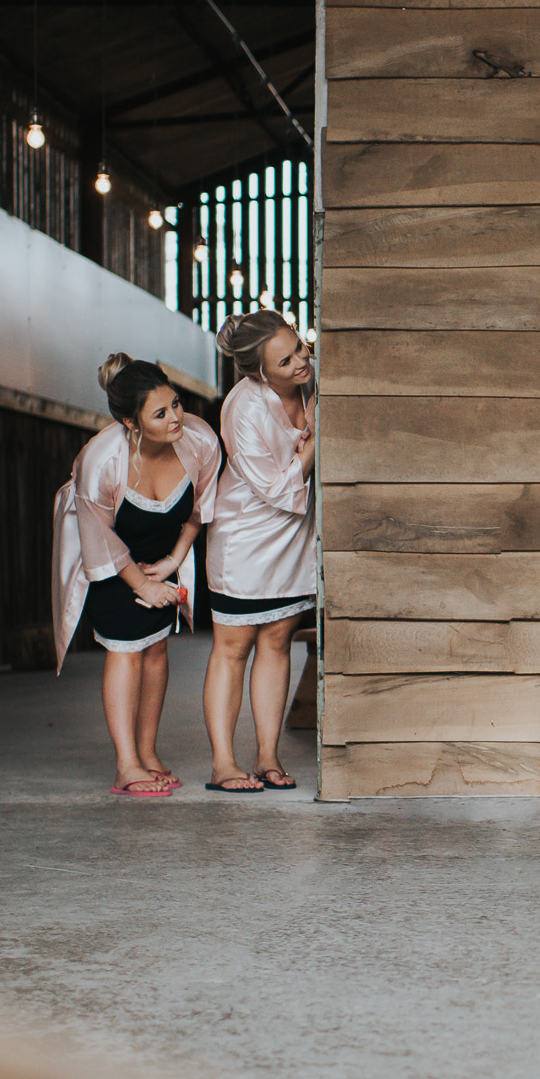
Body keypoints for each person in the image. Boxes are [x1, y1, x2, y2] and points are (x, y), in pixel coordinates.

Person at [52, 355, 223, 797]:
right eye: (161, 413)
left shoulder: (199, 440)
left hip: (159, 553)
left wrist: (171, 562)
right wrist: (142, 583)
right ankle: (126, 765)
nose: (176, 418)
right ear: (131, 421)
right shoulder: (101, 461)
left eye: (177, 405)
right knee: (126, 650)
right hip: (109, 562)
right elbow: (100, 539)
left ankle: (148, 752)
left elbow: (199, 510)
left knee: (156, 649)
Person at [203, 312, 318, 794]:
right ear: (258, 372)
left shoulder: (314, 386)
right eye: (285, 360)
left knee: (276, 640)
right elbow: (275, 488)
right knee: (233, 649)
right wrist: (317, 444)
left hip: (293, 538)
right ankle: (223, 763)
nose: (300, 362)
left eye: (299, 348)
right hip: (247, 537)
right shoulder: (243, 408)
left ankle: (268, 755)